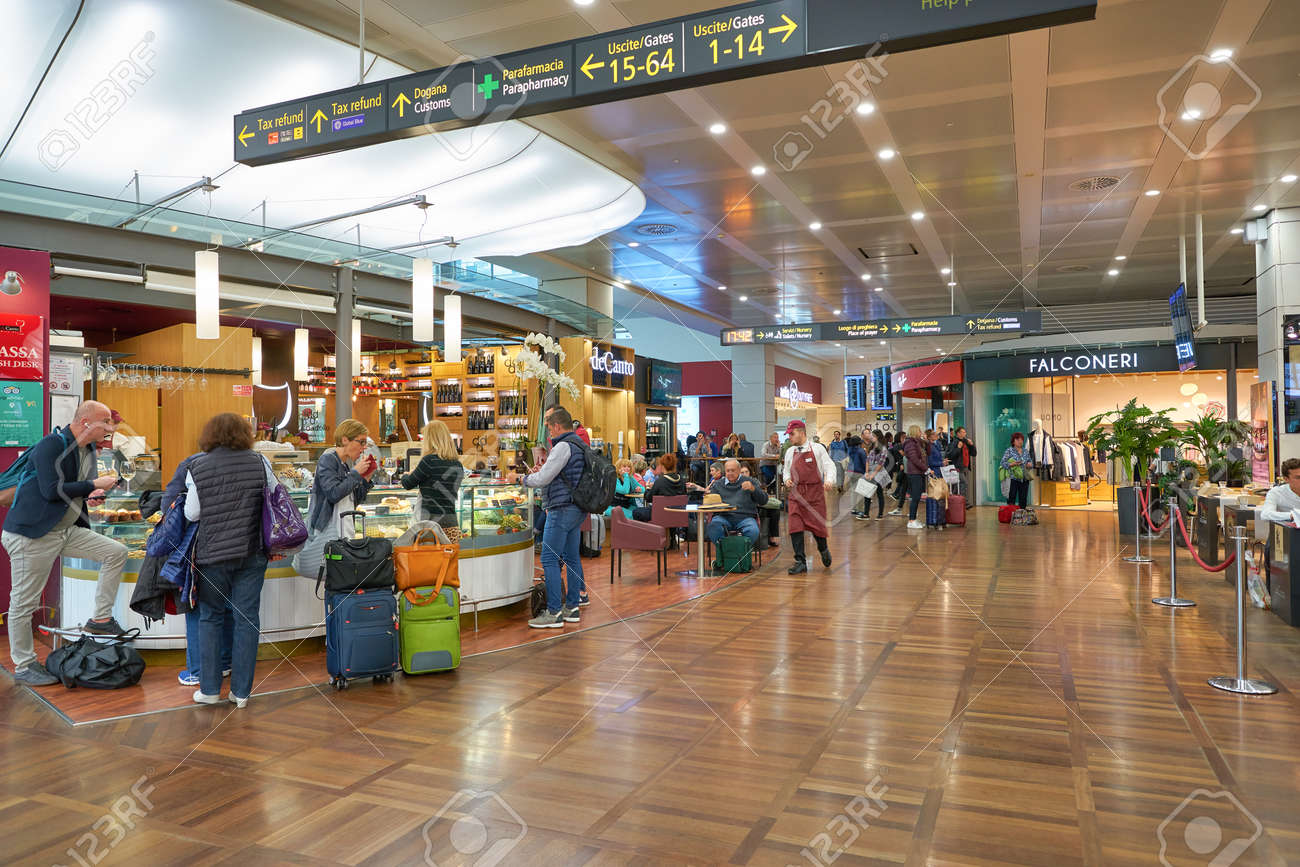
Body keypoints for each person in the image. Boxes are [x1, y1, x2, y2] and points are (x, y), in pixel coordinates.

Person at [1, 401, 126, 685]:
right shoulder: (51, 445)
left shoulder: (88, 450)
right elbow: (51, 490)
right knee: (24, 603)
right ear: (86, 422)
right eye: (105, 421)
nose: (109, 428)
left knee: (116, 552)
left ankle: (100, 620)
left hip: (65, 531)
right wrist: (93, 485)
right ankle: (24, 665)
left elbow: (73, 490)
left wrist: (89, 495)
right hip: (33, 534)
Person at [182, 413, 272, 708]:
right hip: (252, 552)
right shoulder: (260, 462)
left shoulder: (197, 465)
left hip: (213, 555)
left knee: (210, 617)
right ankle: (241, 693)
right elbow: (273, 500)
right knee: (247, 619)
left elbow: (192, 513)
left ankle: (209, 690)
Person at [508, 407, 588, 628]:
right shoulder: (578, 444)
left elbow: (544, 478)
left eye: (549, 428)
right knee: (572, 558)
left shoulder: (562, 446)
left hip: (560, 509)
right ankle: (572, 607)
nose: (549, 433)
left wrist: (521, 479)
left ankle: (553, 612)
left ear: (556, 426)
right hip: (576, 508)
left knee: (549, 559)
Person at [162, 450, 234, 688]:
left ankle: (197, 670)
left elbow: (172, 507)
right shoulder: (253, 460)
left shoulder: (194, 463)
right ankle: (224, 662)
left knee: (197, 607)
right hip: (238, 547)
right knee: (227, 604)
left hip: (201, 546)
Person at [782, 420, 837, 574]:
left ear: (801, 432)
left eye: (792, 434)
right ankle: (800, 561)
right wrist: (787, 479)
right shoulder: (789, 451)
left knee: (817, 527)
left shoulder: (818, 449)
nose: (789, 437)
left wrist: (829, 480)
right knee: (795, 526)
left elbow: (829, 466)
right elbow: (785, 470)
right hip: (796, 494)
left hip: (815, 494)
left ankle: (823, 549)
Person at [307, 419, 377, 537]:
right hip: (328, 536)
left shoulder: (344, 465)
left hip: (345, 532)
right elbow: (333, 494)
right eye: (361, 442)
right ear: (345, 440)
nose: (364, 447)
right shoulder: (328, 459)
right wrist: (356, 473)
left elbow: (353, 501)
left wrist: (366, 479)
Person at [401, 420, 464, 527]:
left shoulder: (429, 461)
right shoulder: (457, 464)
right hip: (451, 522)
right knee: (448, 540)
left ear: (430, 440)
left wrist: (405, 475)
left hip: (430, 522)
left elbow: (408, 484)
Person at [703, 459, 768, 549]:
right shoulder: (718, 484)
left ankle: (739, 552)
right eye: (728, 471)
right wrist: (707, 496)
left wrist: (753, 489)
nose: (730, 473)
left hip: (745, 517)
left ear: (739, 470)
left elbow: (764, 500)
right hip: (723, 517)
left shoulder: (750, 481)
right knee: (713, 527)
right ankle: (727, 551)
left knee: (753, 530)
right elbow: (710, 503)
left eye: (733, 470)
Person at [632, 453, 686, 523]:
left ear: (662, 466)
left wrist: (647, 488)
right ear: (674, 466)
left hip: (660, 514)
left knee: (636, 512)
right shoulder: (682, 480)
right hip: (678, 514)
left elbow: (648, 498)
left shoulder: (660, 481)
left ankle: (650, 529)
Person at [901, 425, 930, 529]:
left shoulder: (918, 443)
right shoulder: (910, 443)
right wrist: (925, 468)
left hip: (918, 472)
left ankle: (913, 519)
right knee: (915, 497)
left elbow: (928, 452)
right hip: (914, 473)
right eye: (919, 431)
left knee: (917, 496)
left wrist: (927, 442)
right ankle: (911, 520)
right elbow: (914, 459)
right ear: (915, 432)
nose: (921, 433)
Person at [1001, 433, 1031, 510]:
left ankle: (1022, 515)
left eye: (1021, 439)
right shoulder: (1009, 451)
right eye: (1017, 439)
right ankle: (1011, 514)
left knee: (1023, 499)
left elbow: (1030, 462)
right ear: (1013, 441)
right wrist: (1012, 464)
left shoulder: (1025, 451)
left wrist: (1029, 464)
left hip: (1024, 478)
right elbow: (1003, 463)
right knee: (1011, 498)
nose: (1020, 441)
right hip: (1012, 479)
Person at [863, 433, 890, 520]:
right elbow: (867, 460)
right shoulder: (871, 447)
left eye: (873, 436)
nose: (871, 437)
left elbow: (881, 464)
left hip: (879, 473)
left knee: (879, 493)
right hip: (870, 471)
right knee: (867, 493)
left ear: (878, 437)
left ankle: (880, 514)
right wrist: (867, 472)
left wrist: (873, 474)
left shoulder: (883, 449)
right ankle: (866, 514)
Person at [947, 427, 977, 498]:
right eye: (963, 432)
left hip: (965, 467)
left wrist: (972, 445)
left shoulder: (966, 442)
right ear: (958, 433)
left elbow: (974, 454)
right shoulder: (953, 443)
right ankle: (962, 500)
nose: (964, 434)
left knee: (957, 486)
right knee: (963, 483)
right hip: (957, 468)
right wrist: (958, 448)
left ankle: (956, 501)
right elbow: (950, 455)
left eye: (965, 432)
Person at [845, 435, 868, 518]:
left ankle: (854, 509)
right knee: (861, 492)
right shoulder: (861, 451)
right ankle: (860, 510)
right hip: (859, 472)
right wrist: (866, 472)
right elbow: (865, 462)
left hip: (850, 472)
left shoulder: (849, 450)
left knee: (853, 491)